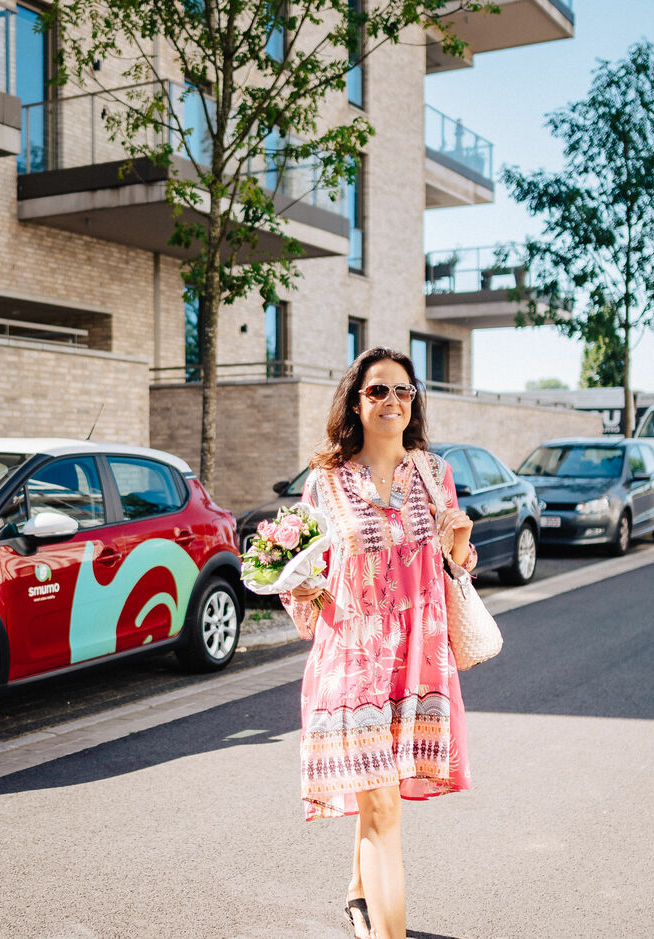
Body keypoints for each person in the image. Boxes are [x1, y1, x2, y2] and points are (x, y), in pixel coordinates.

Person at [281, 346, 476, 939]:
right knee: (382, 807)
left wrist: (461, 546)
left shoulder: (433, 474)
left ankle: (359, 895)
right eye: (378, 391)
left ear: (414, 403)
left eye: (403, 391)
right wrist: (295, 581)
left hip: (418, 664)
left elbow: (459, 566)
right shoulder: (326, 483)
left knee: (379, 804)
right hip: (353, 663)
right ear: (356, 402)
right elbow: (302, 576)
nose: (392, 401)